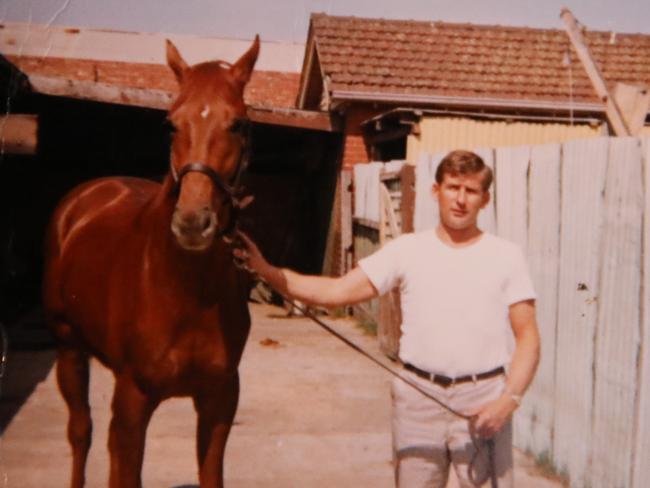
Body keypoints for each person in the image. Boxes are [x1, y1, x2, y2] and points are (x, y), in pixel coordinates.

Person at [234, 149, 540, 488]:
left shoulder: (505, 256)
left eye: (471, 191)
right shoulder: (407, 250)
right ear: (435, 191)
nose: (460, 200)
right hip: (417, 397)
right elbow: (336, 292)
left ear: (485, 200)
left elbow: (528, 338)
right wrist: (266, 271)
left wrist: (508, 400)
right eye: (453, 187)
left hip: (484, 398)